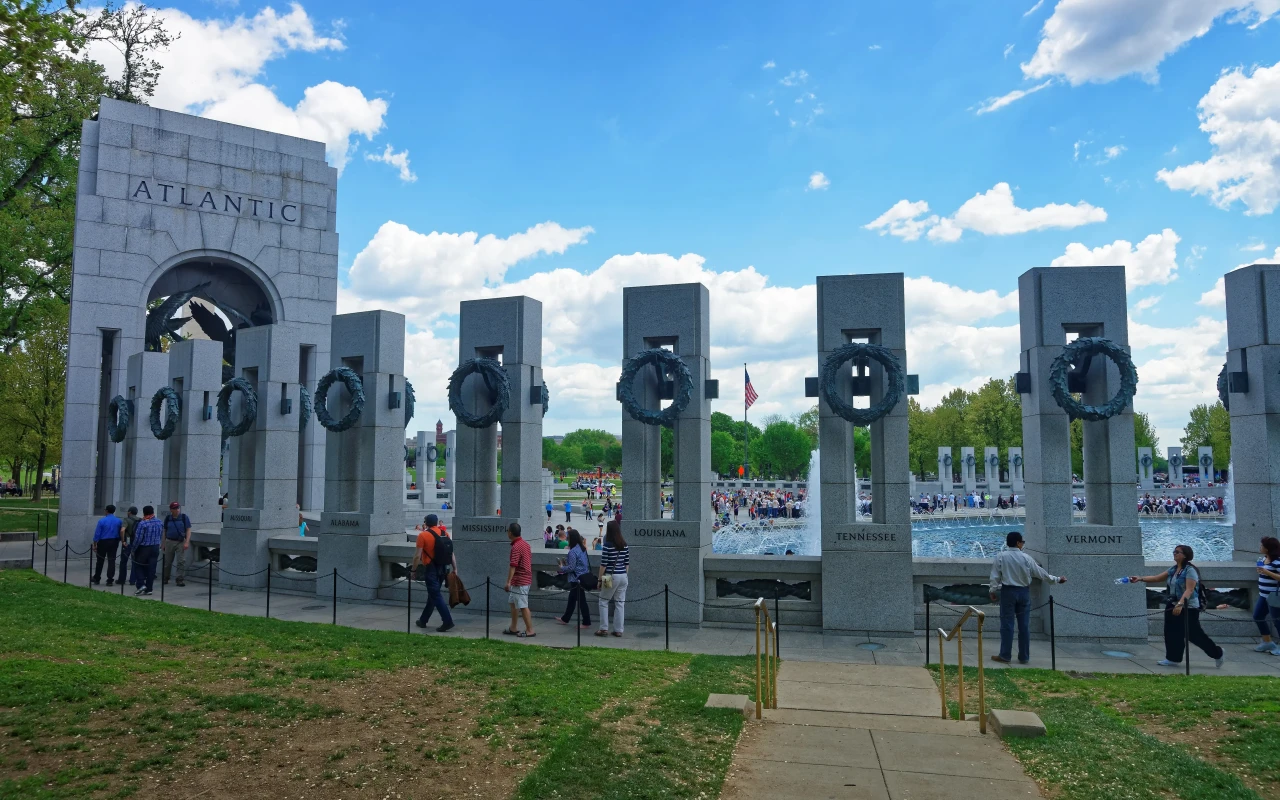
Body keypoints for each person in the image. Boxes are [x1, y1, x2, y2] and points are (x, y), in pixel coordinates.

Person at [1129, 544, 1224, 668]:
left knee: (1195, 635)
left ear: (1185, 555)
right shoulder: (1174, 569)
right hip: (1172, 605)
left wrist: (1180, 604)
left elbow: (1189, 590)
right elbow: (1157, 578)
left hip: (1188, 607)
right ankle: (1173, 658)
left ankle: (1218, 653)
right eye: (1174, 551)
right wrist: (1140, 578)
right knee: (1171, 633)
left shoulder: (1190, 570)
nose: (1174, 553)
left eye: (1177, 552)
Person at [988, 531, 1066, 664]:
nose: (1023, 544)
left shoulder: (1001, 556)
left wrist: (992, 590)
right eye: (1022, 542)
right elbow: (1041, 573)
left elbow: (995, 576)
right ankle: (1024, 656)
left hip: (1008, 592)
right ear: (1018, 543)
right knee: (1024, 626)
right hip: (1024, 592)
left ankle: (1005, 655)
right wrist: (1057, 579)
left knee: (1007, 625)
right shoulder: (1026, 558)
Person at [412, 513, 456, 632]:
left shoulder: (423, 535)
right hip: (443, 568)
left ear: (426, 523)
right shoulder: (445, 534)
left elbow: (417, 556)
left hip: (431, 569)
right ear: (436, 523)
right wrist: (455, 568)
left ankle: (447, 621)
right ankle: (423, 620)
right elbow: (451, 553)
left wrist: (413, 570)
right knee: (433, 595)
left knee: (435, 594)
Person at [595, 520, 629, 637]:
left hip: (610, 576)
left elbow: (603, 565)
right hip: (623, 576)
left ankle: (604, 628)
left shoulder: (608, 546)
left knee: (603, 601)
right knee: (620, 603)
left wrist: (599, 580)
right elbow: (627, 563)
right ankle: (618, 630)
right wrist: (624, 575)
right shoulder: (624, 544)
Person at [503, 522, 535, 637]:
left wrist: (508, 582)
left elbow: (513, 566)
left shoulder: (516, 547)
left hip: (520, 581)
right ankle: (513, 627)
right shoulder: (525, 544)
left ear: (510, 533)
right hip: (524, 579)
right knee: (513, 603)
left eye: (507, 531)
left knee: (522, 605)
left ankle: (530, 630)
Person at [556, 529, 592, 629]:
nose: (567, 538)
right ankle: (565, 618)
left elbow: (571, 567)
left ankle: (586, 622)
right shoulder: (582, 548)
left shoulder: (572, 551)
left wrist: (562, 567)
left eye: (568, 537)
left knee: (581, 601)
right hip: (582, 577)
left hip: (576, 579)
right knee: (572, 599)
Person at [1255, 537, 1280, 654]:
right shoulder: (1264, 559)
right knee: (1257, 616)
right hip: (1263, 595)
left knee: (1277, 621)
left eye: (1262, 546)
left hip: (1273, 596)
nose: (1260, 547)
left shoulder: (1277, 561)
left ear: (1268, 548)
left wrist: (1267, 572)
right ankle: (1267, 642)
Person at [132, 505, 163, 596]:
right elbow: (161, 534)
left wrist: (133, 548)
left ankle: (141, 584)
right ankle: (149, 588)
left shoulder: (143, 523)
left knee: (138, 565)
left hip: (144, 548)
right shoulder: (159, 522)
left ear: (144, 512)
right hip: (155, 547)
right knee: (151, 568)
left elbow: (138, 538)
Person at [160, 501, 191, 586]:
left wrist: (187, 542)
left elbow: (188, 530)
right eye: (174, 508)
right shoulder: (168, 518)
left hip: (180, 542)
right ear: (171, 510)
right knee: (167, 561)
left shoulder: (184, 517)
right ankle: (166, 577)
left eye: (178, 508)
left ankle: (179, 579)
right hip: (169, 541)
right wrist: (163, 543)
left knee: (181, 561)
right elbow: (164, 531)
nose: (177, 510)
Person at [91, 505, 123, 586]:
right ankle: (110, 580)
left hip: (103, 542)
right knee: (111, 560)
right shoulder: (119, 521)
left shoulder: (102, 521)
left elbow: (97, 534)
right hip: (114, 541)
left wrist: (95, 544)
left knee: (100, 561)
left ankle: (97, 578)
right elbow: (120, 532)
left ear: (106, 511)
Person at [118, 506, 139, 586]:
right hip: (136, 543)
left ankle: (121, 579)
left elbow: (122, 530)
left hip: (128, 543)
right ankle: (132, 580)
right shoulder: (140, 520)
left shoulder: (126, 520)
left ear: (129, 512)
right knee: (134, 562)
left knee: (123, 561)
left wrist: (123, 540)